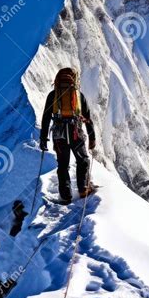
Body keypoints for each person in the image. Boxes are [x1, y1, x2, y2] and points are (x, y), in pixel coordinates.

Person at [40, 68, 96, 204]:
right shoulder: (78, 96)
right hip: (75, 132)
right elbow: (87, 118)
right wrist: (92, 137)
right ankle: (83, 188)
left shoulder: (52, 95)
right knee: (82, 160)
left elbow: (46, 117)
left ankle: (65, 196)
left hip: (59, 135)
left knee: (63, 165)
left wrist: (43, 138)